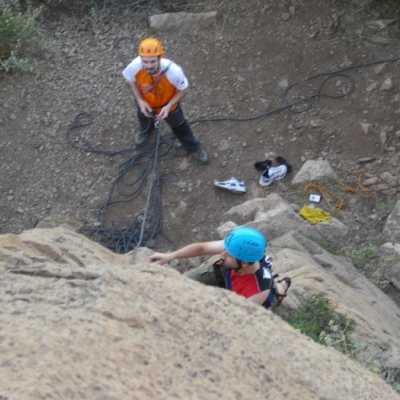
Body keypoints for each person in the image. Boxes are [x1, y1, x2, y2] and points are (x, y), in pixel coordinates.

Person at [149, 226, 291, 309]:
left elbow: (238, 319)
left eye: (228, 254)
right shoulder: (241, 250)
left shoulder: (258, 291)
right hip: (228, 274)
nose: (222, 253)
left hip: (247, 291)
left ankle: (282, 287)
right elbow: (202, 248)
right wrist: (170, 256)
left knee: (273, 291)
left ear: (244, 263)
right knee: (181, 282)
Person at [122, 37, 209, 164]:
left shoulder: (174, 72)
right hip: (146, 102)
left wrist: (169, 106)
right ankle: (145, 132)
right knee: (144, 118)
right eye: (145, 62)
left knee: (180, 127)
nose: (148, 66)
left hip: (169, 106)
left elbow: (183, 89)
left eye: (152, 62)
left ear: (160, 57)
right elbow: (131, 80)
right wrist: (140, 101)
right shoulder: (135, 66)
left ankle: (193, 148)